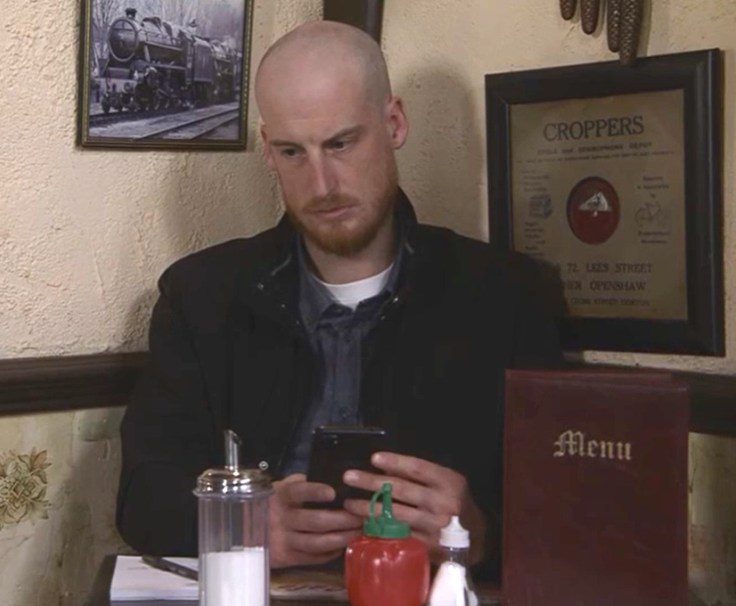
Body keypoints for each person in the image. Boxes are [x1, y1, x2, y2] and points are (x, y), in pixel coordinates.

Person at [116, 20, 561, 581]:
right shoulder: (200, 296)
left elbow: (571, 517)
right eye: (292, 152)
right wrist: (243, 525)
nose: (321, 183)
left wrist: (477, 532)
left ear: (394, 123)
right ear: (267, 152)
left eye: (341, 143)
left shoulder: (507, 296)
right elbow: (141, 497)